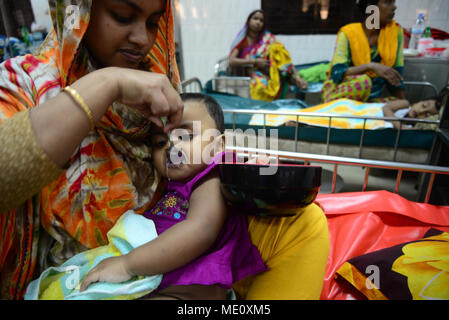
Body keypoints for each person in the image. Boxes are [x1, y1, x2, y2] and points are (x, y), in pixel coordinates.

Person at [0, 0, 329, 300]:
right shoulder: (23, 87)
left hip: (164, 264)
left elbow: (201, 224)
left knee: (303, 222)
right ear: (80, 10)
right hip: (98, 266)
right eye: (123, 16)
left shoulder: (156, 76)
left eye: (155, 22)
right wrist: (105, 85)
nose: (143, 39)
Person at [322, 0, 405, 103]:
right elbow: (337, 73)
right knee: (363, 81)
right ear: (371, 9)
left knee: (399, 103)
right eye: (387, 2)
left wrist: (404, 104)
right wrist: (371, 66)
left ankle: (364, 109)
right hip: (341, 95)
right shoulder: (349, 33)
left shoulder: (395, 32)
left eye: (393, 2)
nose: (394, 7)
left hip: (371, 100)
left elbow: (396, 76)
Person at [228, 9, 308, 102]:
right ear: (249, 20)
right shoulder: (243, 40)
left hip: (272, 70)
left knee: (277, 48)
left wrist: (296, 75)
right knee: (260, 86)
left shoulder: (267, 37)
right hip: (252, 72)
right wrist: (255, 61)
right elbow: (231, 60)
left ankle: (295, 78)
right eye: (255, 18)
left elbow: (283, 57)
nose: (258, 22)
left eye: (261, 20)